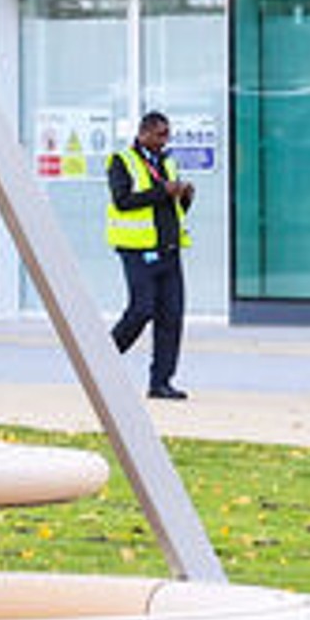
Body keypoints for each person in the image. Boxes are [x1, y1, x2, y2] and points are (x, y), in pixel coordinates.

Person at [103, 110, 195, 402]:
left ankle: (161, 383)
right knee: (141, 310)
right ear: (143, 133)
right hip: (137, 251)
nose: (164, 140)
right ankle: (100, 361)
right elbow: (123, 201)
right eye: (159, 134)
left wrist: (184, 196)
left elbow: (171, 208)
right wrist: (162, 190)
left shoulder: (167, 161)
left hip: (169, 249)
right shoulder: (122, 161)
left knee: (171, 316)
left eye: (167, 134)